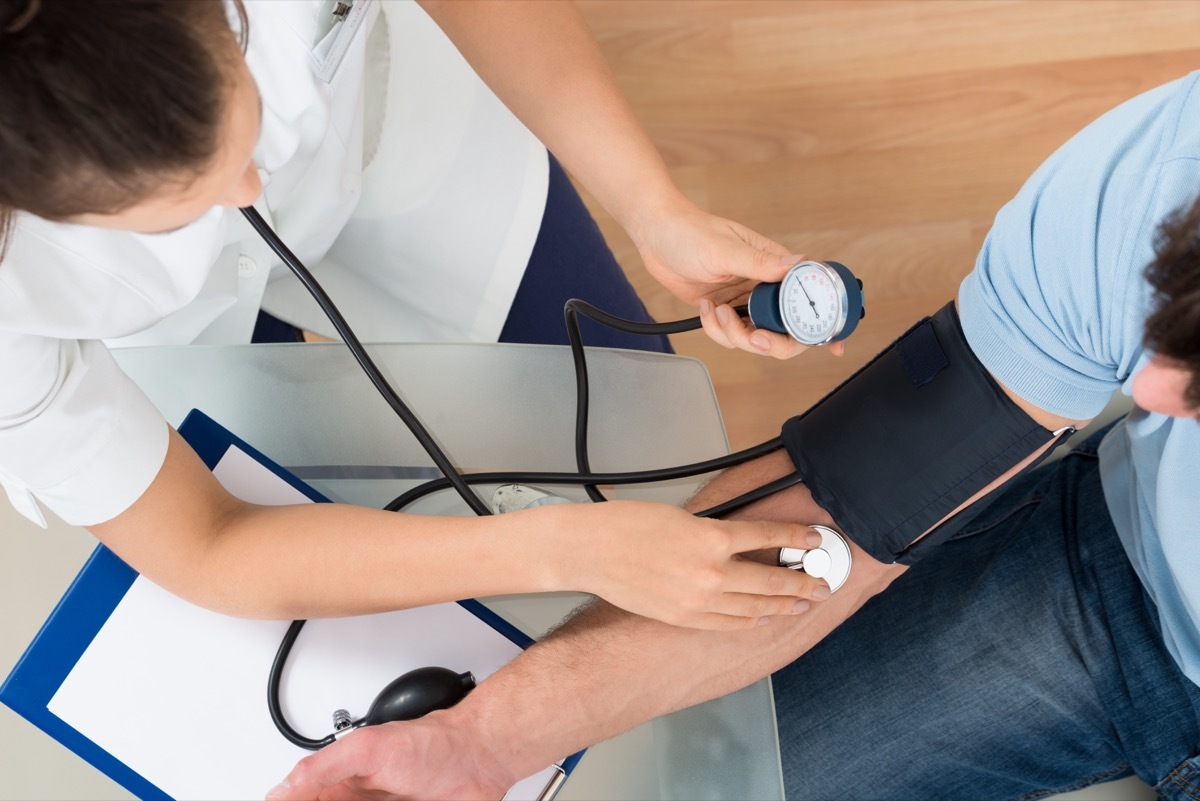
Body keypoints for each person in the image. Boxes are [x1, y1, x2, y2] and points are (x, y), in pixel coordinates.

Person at [268, 68, 1200, 801]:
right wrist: (482, 740)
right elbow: (853, 497)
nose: (1146, 389)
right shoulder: (1156, 186)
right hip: (1120, 587)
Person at [0, 0, 830, 632]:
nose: (249, 194)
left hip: (392, 139)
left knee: (647, 430)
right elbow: (209, 544)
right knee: (373, 587)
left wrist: (654, 208)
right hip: (170, 334)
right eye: (175, 214)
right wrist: (557, 550)